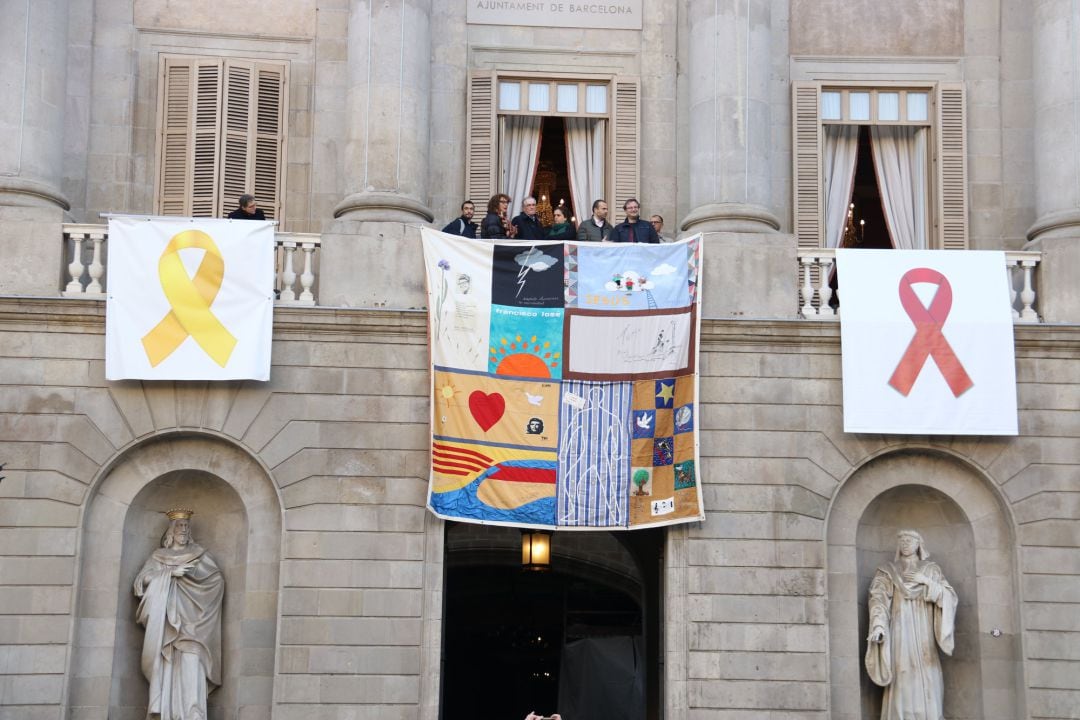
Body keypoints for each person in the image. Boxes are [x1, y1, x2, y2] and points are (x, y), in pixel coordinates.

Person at [134, 509, 224, 720]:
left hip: (194, 626)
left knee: (192, 667)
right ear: (171, 531)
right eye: (179, 527)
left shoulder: (200, 555)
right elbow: (141, 581)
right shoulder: (159, 556)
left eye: (186, 527)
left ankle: (193, 715)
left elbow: (217, 582)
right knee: (167, 668)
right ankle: (167, 713)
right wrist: (169, 574)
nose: (183, 530)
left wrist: (194, 577)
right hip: (166, 624)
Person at [865, 529, 957, 720]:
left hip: (924, 630)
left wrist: (925, 582)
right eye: (902, 540)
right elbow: (878, 599)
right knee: (902, 671)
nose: (906, 543)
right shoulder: (888, 570)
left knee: (927, 670)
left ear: (919, 544)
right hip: (899, 628)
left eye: (910, 540)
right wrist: (879, 625)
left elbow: (949, 597)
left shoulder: (931, 569)